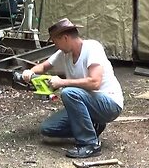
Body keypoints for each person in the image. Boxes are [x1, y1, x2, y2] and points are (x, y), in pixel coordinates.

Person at [21, 18, 123, 158]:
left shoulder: (92, 48)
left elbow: (95, 83)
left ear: (65, 38)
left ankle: (90, 144)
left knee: (69, 92)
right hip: (89, 102)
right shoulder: (64, 54)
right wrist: (30, 72)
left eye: (56, 42)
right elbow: (44, 66)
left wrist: (62, 82)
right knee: (48, 129)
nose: (56, 46)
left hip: (110, 103)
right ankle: (93, 126)